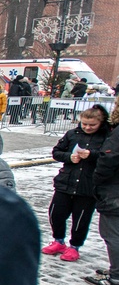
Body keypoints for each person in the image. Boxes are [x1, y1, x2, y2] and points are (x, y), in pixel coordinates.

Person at [41, 106, 110, 262]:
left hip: (88, 185)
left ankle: (75, 246)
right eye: (84, 123)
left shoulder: (107, 137)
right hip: (66, 181)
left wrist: (92, 155)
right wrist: (68, 157)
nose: (87, 127)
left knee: (81, 219)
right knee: (56, 213)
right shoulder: (72, 134)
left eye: (92, 125)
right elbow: (56, 151)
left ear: (100, 122)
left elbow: (109, 157)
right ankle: (58, 240)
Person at [90, 123, 119, 285]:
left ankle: (116, 275)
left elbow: (108, 158)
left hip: (114, 190)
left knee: (112, 234)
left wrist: (97, 178)